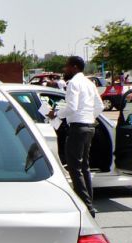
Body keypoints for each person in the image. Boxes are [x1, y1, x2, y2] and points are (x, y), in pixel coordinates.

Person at [48, 55, 103, 217]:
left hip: (78, 128)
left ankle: (86, 207)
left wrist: (55, 113)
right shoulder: (89, 83)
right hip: (89, 127)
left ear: (74, 67)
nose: (64, 70)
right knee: (84, 167)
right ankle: (89, 202)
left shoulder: (73, 83)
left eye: (66, 66)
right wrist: (88, 117)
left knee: (74, 168)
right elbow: (99, 106)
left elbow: (72, 107)